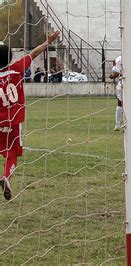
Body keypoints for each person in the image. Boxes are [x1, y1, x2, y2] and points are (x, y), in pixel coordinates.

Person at [0, 31, 60, 200]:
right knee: (12, 154)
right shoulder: (17, 69)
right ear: (10, 57)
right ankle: (6, 177)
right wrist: (47, 42)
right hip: (14, 121)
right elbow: (33, 54)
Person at [109, 56, 123, 131]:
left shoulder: (120, 58)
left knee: (120, 103)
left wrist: (111, 76)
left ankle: (117, 124)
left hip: (123, 84)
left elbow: (116, 73)